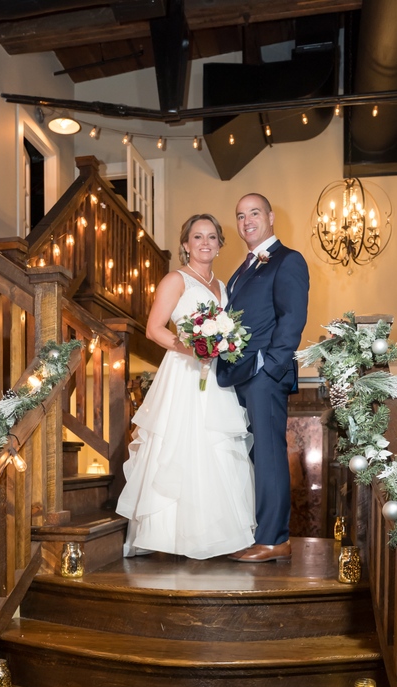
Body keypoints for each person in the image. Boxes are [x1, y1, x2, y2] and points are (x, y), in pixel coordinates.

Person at [116, 214, 255, 559]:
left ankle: (216, 536)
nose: (205, 243)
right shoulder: (175, 280)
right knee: (180, 446)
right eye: (197, 237)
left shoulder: (223, 287)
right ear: (185, 244)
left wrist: (221, 346)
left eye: (211, 237)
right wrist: (190, 347)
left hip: (215, 378)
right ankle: (168, 537)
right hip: (183, 373)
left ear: (220, 245)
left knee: (215, 447)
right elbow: (153, 328)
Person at [217, 193, 309, 563]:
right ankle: (255, 533)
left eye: (254, 213)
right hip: (239, 375)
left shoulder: (288, 260)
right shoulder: (242, 269)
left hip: (264, 376)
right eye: (240, 215)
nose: (247, 221)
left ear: (271, 217)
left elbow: (291, 320)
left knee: (269, 455)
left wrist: (268, 367)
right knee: (252, 455)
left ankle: (274, 539)